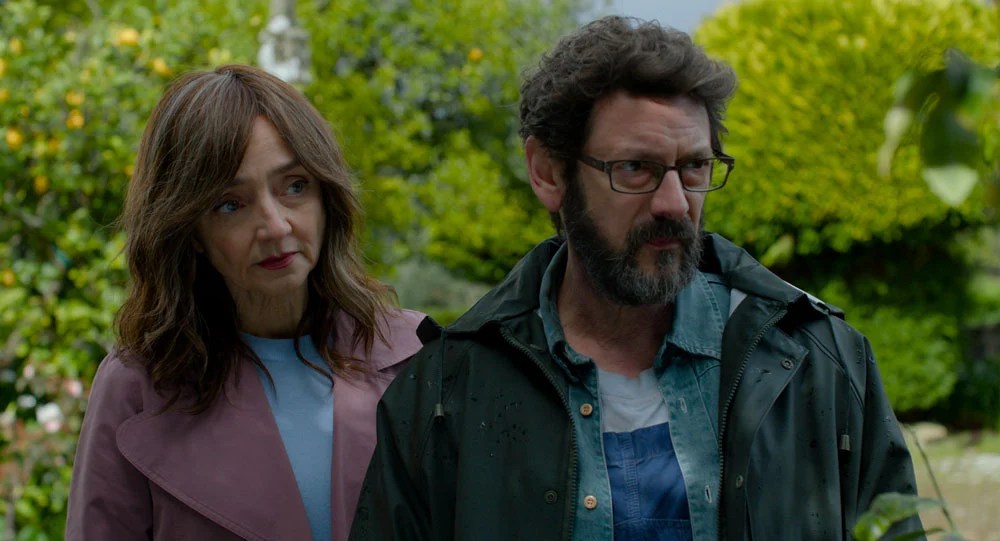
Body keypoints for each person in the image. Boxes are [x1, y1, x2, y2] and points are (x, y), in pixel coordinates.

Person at [351, 16, 922, 541]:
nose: (674, 203)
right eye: (634, 168)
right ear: (548, 173)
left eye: (694, 167)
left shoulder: (818, 362)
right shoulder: (444, 393)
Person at [66, 64, 428, 541]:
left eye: (294, 186)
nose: (276, 227)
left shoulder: (417, 355)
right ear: (191, 231)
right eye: (230, 205)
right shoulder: (138, 388)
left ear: (327, 195)